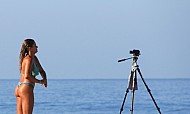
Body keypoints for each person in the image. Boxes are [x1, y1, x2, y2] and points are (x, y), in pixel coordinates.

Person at [14, 39, 47, 114]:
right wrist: (40, 81)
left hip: (19, 87)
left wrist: (45, 79)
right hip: (26, 87)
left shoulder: (34, 58)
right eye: (35, 46)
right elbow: (27, 76)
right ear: (30, 48)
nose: (37, 48)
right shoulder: (28, 59)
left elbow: (42, 71)